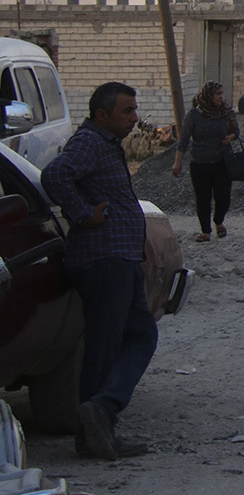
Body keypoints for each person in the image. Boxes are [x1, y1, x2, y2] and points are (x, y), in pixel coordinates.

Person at [39, 81, 156, 460]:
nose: (134, 118)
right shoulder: (89, 143)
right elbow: (54, 175)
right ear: (102, 115)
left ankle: (97, 425)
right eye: (127, 111)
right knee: (109, 346)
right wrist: (83, 214)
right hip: (104, 259)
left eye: (134, 110)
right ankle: (100, 415)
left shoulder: (104, 144)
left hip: (118, 258)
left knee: (135, 335)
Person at [170, 81, 238, 242]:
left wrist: (232, 137)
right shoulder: (194, 115)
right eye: (217, 94)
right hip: (200, 164)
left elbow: (236, 131)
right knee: (203, 198)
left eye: (221, 93)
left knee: (223, 196)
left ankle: (219, 220)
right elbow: (184, 140)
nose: (221, 97)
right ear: (208, 96)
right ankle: (206, 231)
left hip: (222, 162)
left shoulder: (226, 112)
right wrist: (177, 162)